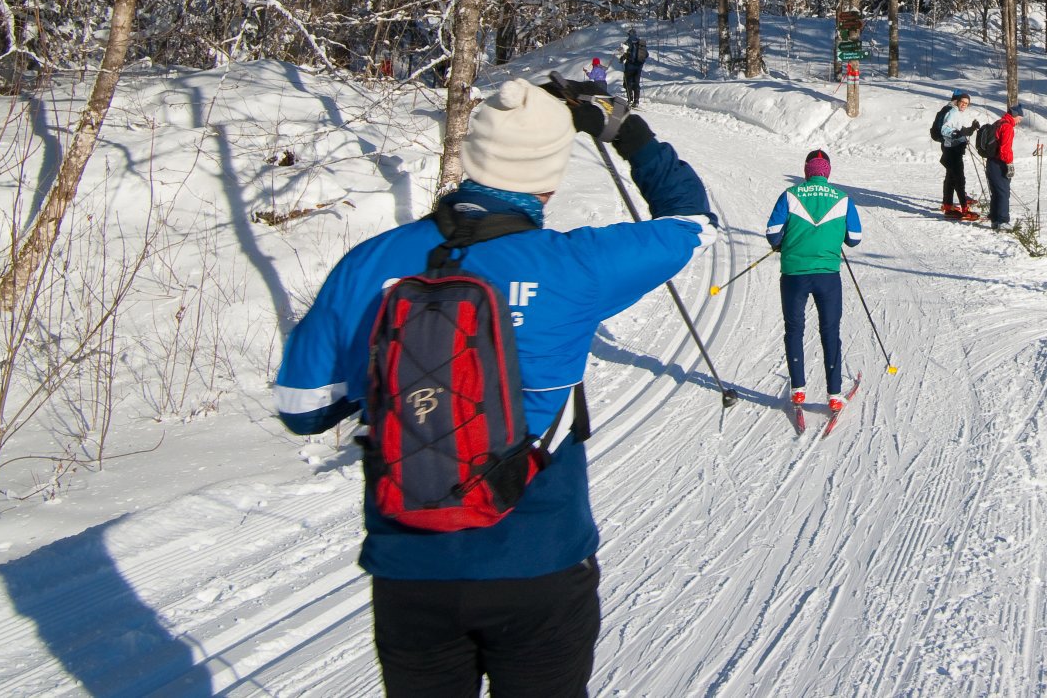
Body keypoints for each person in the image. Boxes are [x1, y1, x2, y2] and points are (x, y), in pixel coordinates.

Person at [273, 78, 716, 697]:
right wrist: (631, 136)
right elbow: (695, 224)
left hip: (409, 568)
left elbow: (302, 408)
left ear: (472, 157)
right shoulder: (575, 263)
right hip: (539, 563)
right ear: (550, 175)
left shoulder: (371, 262)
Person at [764, 149, 862, 412]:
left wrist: (782, 243)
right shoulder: (843, 199)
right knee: (830, 330)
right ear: (827, 172)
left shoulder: (790, 195)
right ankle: (833, 394)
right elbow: (855, 237)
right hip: (827, 275)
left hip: (794, 274)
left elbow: (773, 233)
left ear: (807, 170)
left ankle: (798, 390)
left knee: (794, 328)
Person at [939, 91, 981, 222]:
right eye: (962, 102)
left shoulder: (957, 113)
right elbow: (945, 129)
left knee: (951, 179)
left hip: (953, 150)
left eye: (966, 104)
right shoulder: (953, 112)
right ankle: (964, 209)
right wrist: (956, 134)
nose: (964, 105)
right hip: (952, 151)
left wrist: (971, 129)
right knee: (959, 180)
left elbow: (960, 131)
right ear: (957, 101)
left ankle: (948, 207)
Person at [986, 103, 1021, 230]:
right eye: (1019, 119)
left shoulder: (999, 122)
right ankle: (1003, 221)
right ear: (1015, 115)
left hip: (990, 161)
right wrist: (1009, 164)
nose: (1019, 122)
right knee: (1003, 192)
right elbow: (1005, 149)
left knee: (996, 191)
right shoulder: (1007, 127)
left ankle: (995, 220)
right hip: (999, 163)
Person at [620, 29, 648, 107]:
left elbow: (622, 52)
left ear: (629, 34)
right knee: (636, 83)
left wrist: (622, 58)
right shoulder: (641, 42)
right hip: (639, 66)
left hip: (630, 66)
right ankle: (636, 101)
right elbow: (647, 54)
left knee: (628, 82)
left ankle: (630, 99)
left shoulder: (628, 41)